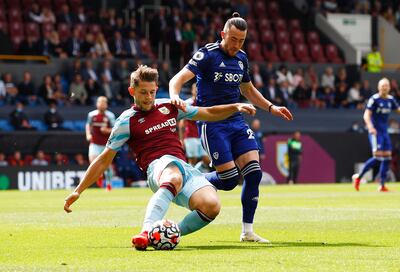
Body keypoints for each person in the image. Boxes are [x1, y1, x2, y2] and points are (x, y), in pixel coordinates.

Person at [63, 65, 257, 251]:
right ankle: (146, 232)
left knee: (212, 206)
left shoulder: (169, 106)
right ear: (132, 91)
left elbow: (206, 113)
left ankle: (166, 234)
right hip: (158, 168)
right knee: (173, 175)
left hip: (184, 168)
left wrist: (235, 106)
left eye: (152, 92)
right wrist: (78, 191)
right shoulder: (125, 121)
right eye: (143, 92)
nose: (149, 98)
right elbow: (104, 159)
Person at [169, 12, 293, 243]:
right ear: (223, 34)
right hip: (213, 123)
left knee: (254, 174)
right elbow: (176, 79)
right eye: (233, 39)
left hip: (236, 122)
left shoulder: (242, 58)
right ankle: (194, 182)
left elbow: (247, 90)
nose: (237, 44)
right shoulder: (207, 54)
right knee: (228, 181)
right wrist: (175, 96)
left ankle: (247, 231)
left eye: (241, 40)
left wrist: (271, 107)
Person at [352, 78, 400, 192]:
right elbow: (366, 115)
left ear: (389, 88)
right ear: (379, 87)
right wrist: (370, 127)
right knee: (378, 158)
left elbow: (398, 109)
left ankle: (382, 185)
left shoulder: (391, 99)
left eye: (386, 86)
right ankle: (359, 177)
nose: (384, 87)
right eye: (382, 86)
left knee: (387, 158)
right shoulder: (374, 99)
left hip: (384, 132)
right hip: (375, 132)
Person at [86, 96, 116, 191]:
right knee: (93, 162)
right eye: (100, 102)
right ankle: (99, 176)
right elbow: (88, 125)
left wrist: (107, 130)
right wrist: (88, 134)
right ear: (97, 104)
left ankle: (108, 183)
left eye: (104, 102)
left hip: (106, 145)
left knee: (107, 166)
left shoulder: (110, 116)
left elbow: (115, 129)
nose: (102, 104)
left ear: (106, 104)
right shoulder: (91, 115)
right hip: (94, 142)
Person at [179, 83, 205, 166]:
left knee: (207, 159)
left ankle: (200, 174)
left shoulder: (204, 104)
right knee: (192, 160)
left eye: (199, 90)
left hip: (202, 136)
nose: (197, 92)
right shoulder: (187, 104)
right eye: (195, 90)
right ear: (192, 91)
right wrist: (181, 139)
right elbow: (182, 123)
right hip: (190, 136)